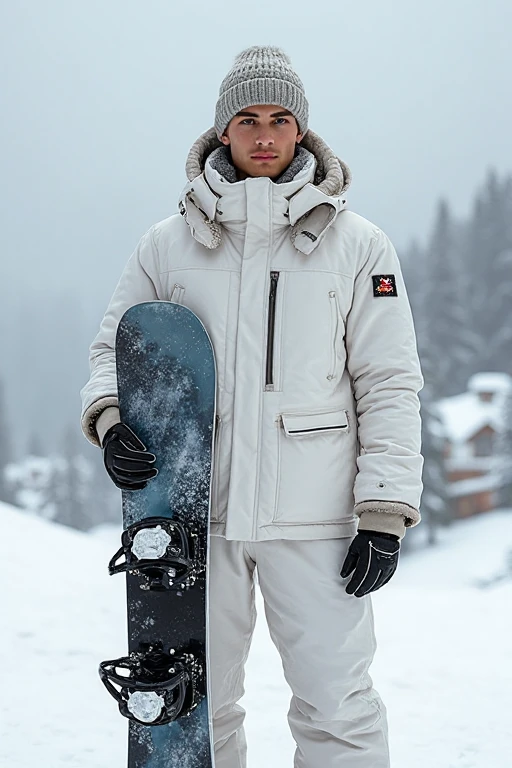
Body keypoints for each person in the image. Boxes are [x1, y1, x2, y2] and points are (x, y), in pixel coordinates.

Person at [80, 45, 423, 768]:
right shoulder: (165, 245)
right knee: (197, 708)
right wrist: (110, 420)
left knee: (338, 707)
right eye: (247, 119)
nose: (264, 135)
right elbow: (114, 349)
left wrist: (384, 512)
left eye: (279, 120)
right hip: (195, 520)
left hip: (317, 520)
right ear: (222, 130)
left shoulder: (358, 247)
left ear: (301, 130)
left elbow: (389, 382)